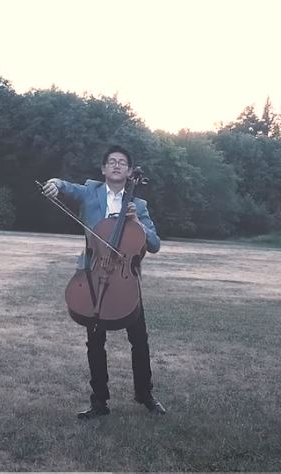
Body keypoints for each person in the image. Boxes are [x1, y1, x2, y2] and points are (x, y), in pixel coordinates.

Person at [42, 145, 166, 419]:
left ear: (130, 171)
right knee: (95, 342)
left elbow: (155, 244)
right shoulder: (90, 191)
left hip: (125, 279)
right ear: (103, 169)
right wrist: (54, 183)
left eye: (123, 162)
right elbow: (65, 187)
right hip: (93, 276)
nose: (117, 165)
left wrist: (139, 224)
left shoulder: (139, 205)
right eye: (112, 161)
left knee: (139, 341)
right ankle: (99, 402)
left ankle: (145, 395)